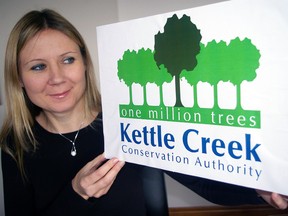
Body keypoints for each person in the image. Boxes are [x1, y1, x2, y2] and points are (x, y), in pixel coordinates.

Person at [0, 9, 287, 216]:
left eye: (68, 60)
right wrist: (77, 195)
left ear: (85, 63)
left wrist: (258, 191)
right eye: (38, 66)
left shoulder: (131, 119)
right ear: (19, 79)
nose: (57, 77)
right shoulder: (14, 145)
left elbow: (202, 180)